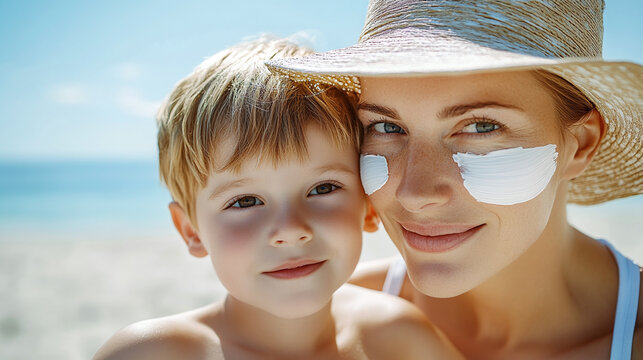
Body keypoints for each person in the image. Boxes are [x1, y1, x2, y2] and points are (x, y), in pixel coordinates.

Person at [267, 0, 642, 358]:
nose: (414, 194)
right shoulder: (322, 326)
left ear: (580, 145)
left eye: (480, 127)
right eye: (386, 126)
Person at [93, 37, 462, 360]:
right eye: (245, 201)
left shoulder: (399, 338)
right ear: (190, 230)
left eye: (322, 189)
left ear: (368, 205)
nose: (290, 230)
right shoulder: (152, 354)